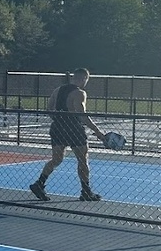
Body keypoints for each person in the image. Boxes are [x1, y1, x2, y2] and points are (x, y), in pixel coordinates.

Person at [28, 68, 107, 202]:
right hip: (74, 129)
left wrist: (59, 120)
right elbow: (82, 115)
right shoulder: (80, 93)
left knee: (56, 159)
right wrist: (98, 132)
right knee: (83, 159)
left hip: (58, 127)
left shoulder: (57, 90)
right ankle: (86, 191)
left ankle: (39, 183)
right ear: (84, 79)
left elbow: (49, 109)